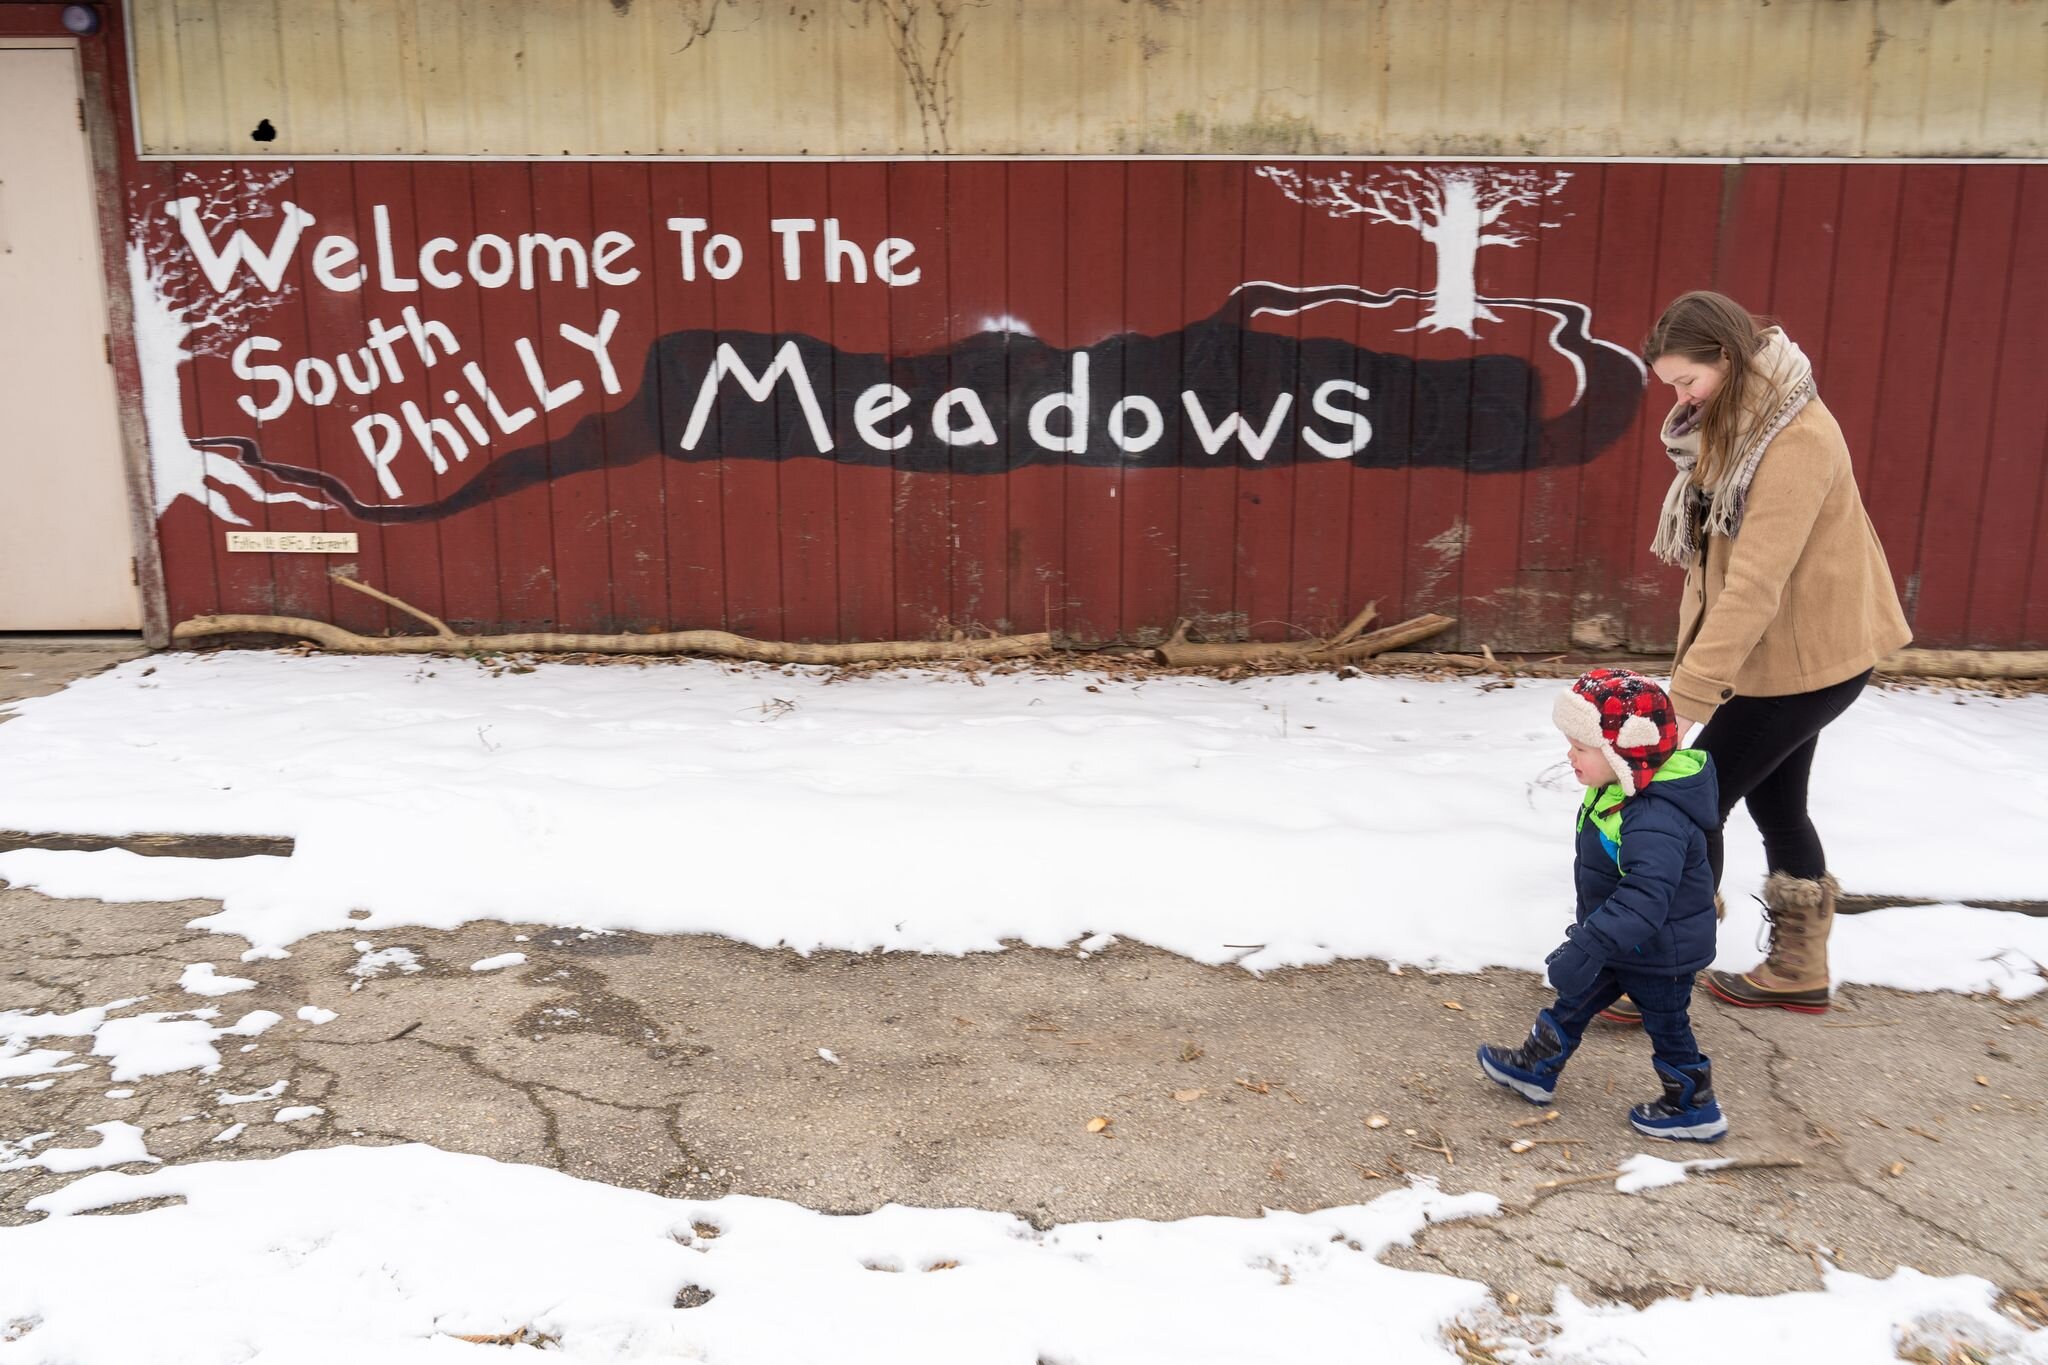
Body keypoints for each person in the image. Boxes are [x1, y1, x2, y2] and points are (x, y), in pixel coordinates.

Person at [1599, 291, 1910, 1023]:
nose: (1678, 398)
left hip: (1808, 657)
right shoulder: (1740, 421)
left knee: (1686, 801)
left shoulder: (1795, 438)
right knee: (1774, 797)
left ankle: (1655, 969)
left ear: (1729, 361)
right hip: (1784, 651)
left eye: (1686, 382)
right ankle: (1798, 968)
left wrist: (1690, 695)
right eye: (1670, 384)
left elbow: (1755, 583)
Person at [1478, 668, 1727, 1141]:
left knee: (1668, 1027)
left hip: (1658, 952)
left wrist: (1587, 944)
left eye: (1581, 747)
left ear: (1625, 750)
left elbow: (1644, 897)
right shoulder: (1618, 790)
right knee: (1574, 1001)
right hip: (1621, 939)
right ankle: (1537, 1065)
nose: (1569, 755)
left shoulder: (1654, 817)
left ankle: (1694, 1105)